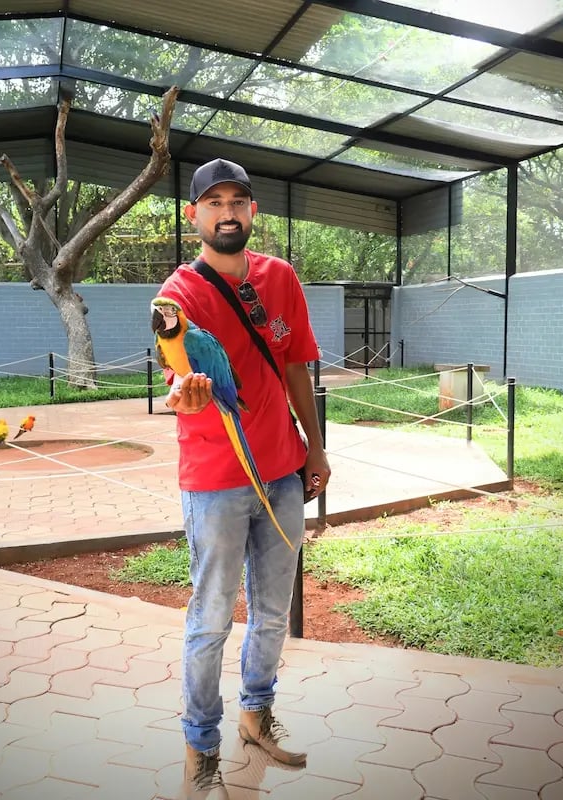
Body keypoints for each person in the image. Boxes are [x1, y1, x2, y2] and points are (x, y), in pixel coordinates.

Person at [156, 158, 331, 800]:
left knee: (272, 611)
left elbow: (294, 368)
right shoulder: (179, 292)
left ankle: (256, 716)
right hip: (217, 480)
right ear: (193, 215)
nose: (227, 212)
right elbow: (174, 374)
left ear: (253, 212)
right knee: (210, 620)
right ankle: (200, 747)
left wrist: (315, 448)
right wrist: (188, 396)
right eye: (214, 202)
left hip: (283, 471)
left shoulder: (280, 277)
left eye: (238, 201)